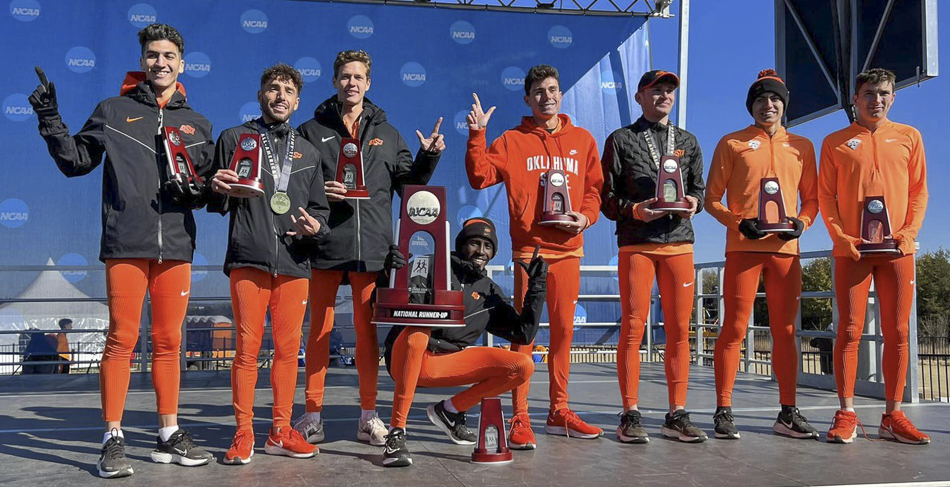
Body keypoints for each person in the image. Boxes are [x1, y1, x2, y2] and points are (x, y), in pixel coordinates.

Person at [28, 23, 214, 477]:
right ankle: (112, 437)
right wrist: (51, 119)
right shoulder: (113, 110)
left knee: (170, 342)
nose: (161, 63)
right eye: (153, 55)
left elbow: (208, 190)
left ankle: (168, 433)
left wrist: (205, 190)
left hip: (175, 246)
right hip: (126, 242)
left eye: (169, 55)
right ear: (143, 60)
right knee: (122, 339)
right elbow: (76, 162)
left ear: (181, 63)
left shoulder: (199, 124)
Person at [293, 50, 444, 446]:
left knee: (366, 336)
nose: (351, 83)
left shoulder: (389, 133)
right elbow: (295, 185)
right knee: (319, 333)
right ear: (334, 81)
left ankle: (367, 416)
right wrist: (318, 193)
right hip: (325, 242)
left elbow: (411, 186)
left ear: (369, 83)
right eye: (344, 76)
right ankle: (312, 415)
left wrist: (429, 156)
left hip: (371, 248)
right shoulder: (311, 130)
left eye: (358, 77)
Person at [466, 64, 604, 448]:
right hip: (532, 252)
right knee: (524, 336)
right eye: (539, 91)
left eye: (553, 89)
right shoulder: (512, 140)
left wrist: (586, 217)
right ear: (527, 99)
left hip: (570, 250)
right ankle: (520, 416)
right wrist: (477, 134)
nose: (547, 96)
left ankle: (559, 410)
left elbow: (594, 190)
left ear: (561, 94)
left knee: (563, 334)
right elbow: (479, 177)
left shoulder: (583, 140)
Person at [208, 64, 330, 464]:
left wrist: (316, 226)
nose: (280, 96)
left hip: (295, 264)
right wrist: (217, 187)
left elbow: (320, 212)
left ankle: (280, 430)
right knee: (246, 350)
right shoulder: (234, 138)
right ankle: (244, 433)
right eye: (273, 88)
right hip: (250, 258)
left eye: (288, 91)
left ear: (297, 101)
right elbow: (217, 199)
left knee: (286, 350)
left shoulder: (310, 152)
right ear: (261, 94)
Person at [704, 69, 819, 440]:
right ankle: (723, 409)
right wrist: (739, 223)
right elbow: (711, 200)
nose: (767, 106)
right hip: (744, 248)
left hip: (786, 250)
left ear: (784, 105)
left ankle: (787, 411)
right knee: (734, 328)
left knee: (785, 331)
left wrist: (802, 222)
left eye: (774, 99)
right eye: (759, 100)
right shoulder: (732, 143)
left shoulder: (802, 146)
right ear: (750, 106)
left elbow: (813, 199)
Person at [377, 218, 547, 467]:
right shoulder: (429, 264)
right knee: (418, 331)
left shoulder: (489, 291)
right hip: (406, 355)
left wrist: (537, 288)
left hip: (443, 364)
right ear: (460, 245)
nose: (481, 251)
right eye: (474, 243)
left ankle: (451, 410)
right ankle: (396, 432)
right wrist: (388, 274)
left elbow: (523, 334)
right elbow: (383, 304)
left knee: (523, 365)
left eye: (488, 246)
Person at [818, 68, 929, 445]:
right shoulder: (834, 141)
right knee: (849, 330)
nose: (876, 99)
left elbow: (919, 192)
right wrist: (841, 236)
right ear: (855, 98)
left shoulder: (909, 137)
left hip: (898, 250)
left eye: (883, 93)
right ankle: (846, 412)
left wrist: (909, 233)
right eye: (868, 93)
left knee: (898, 332)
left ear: (893, 98)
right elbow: (827, 198)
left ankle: (893, 415)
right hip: (852, 250)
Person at [600, 70, 707, 443]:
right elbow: (606, 200)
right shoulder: (620, 139)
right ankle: (630, 413)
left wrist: (695, 201)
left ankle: (676, 413)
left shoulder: (689, 141)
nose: (664, 95)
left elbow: (699, 189)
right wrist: (635, 210)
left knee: (679, 331)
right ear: (639, 97)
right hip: (637, 244)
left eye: (669, 91)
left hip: (680, 243)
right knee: (632, 328)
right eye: (656, 90)